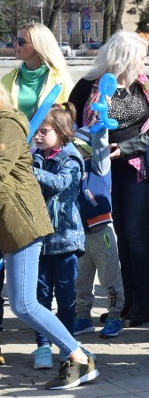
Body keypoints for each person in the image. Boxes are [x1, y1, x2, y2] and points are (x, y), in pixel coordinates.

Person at [0, 85, 98, 390]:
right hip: (10, 225)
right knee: (22, 303)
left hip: (22, 225)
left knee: (25, 304)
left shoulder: (9, 125)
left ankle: (79, 359)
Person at [68, 31, 149, 327]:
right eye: (141, 54)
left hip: (137, 168)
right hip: (98, 172)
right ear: (124, 56)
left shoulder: (147, 86)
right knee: (115, 234)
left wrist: (123, 149)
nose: (146, 60)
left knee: (135, 234)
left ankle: (142, 302)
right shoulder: (87, 87)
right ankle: (125, 301)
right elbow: (72, 125)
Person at [30, 104, 86, 371]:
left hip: (65, 240)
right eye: (36, 131)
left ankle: (67, 344)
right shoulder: (35, 157)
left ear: (62, 133)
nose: (38, 136)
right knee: (40, 296)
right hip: (39, 240)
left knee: (66, 295)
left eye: (44, 131)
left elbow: (60, 184)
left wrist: (30, 171)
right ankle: (42, 345)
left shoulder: (71, 158)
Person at [72, 125, 125, 340]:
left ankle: (115, 316)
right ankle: (83, 316)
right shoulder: (70, 167)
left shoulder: (99, 166)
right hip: (79, 234)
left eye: (76, 146)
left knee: (109, 277)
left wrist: (101, 128)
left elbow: (101, 146)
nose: (72, 150)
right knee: (81, 280)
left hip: (102, 232)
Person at [1, 22, 74, 119]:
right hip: (15, 134)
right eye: (15, 40)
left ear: (38, 45)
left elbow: (71, 114)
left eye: (21, 41)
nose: (15, 45)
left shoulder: (61, 80)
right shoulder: (7, 79)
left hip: (47, 134)